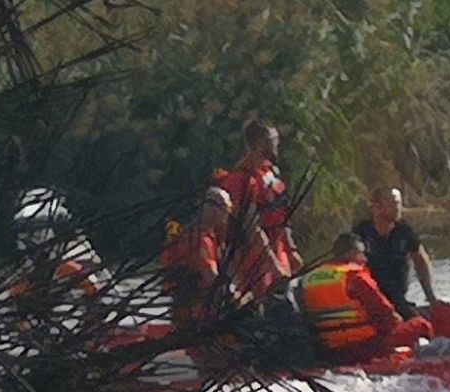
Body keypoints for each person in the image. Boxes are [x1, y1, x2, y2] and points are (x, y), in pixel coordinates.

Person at [299, 233, 434, 364]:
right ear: (349, 254)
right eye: (361, 253)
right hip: (365, 346)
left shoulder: (307, 279)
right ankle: (431, 362)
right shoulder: (353, 275)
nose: (365, 259)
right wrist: (399, 324)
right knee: (421, 324)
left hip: (330, 350)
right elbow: (386, 314)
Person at [214, 121, 301, 298]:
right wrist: (272, 263)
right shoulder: (242, 178)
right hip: (254, 256)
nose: (277, 143)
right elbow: (250, 226)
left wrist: (291, 250)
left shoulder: (271, 172)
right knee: (263, 304)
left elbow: (282, 214)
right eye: (272, 140)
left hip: (279, 247)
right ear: (260, 143)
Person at [351, 187, 444, 319]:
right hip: (370, 300)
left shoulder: (404, 231)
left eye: (400, 203)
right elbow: (348, 266)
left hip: (398, 298)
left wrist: (431, 297)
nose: (399, 208)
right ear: (377, 207)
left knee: (422, 324)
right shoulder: (361, 232)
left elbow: (421, 261)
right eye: (394, 203)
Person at [159, 187, 236, 328]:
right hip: (196, 313)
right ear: (215, 209)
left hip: (192, 308)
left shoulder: (205, 235)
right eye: (227, 210)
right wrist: (237, 297)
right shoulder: (200, 240)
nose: (227, 216)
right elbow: (212, 279)